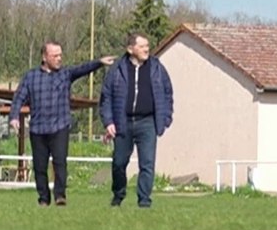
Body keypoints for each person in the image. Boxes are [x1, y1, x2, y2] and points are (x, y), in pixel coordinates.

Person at [9, 42, 115, 206]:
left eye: (60, 55)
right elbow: (19, 98)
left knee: (60, 163)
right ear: (44, 57)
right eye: (55, 55)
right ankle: (43, 198)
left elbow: (82, 69)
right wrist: (14, 117)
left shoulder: (65, 74)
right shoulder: (30, 77)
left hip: (60, 126)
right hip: (38, 128)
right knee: (39, 167)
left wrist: (99, 62)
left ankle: (60, 196)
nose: (59, 59)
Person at [100, 32, 174, 208]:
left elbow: (167, 93)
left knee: (147, 164)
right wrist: (109, 121)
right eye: (142, 46)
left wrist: (165, 118)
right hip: (122, 122)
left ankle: (144, 200)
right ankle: (118, 194)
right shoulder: (117, 69)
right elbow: (106, 97)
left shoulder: (156, 68)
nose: (146, 49)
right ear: (130, 49)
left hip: (147, 122)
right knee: (119, 163)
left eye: (147, 46)